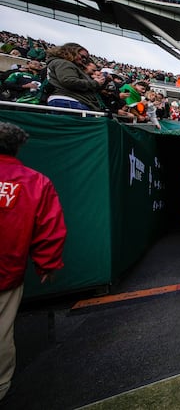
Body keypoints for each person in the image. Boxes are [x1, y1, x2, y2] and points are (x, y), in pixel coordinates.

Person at [0, 122, 67, 401]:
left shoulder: (35, 181)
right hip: (6, 273)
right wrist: (48, 263)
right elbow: (49, 227)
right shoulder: (34, 180)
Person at [45, 42, 106, 111]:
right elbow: (68, 81)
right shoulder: (64, 63)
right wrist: (95, 83)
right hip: (69, 101)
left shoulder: (60, 63)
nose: (84, 60)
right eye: (82, 56)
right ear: (71, 52)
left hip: (66, 100)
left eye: (86, 58)